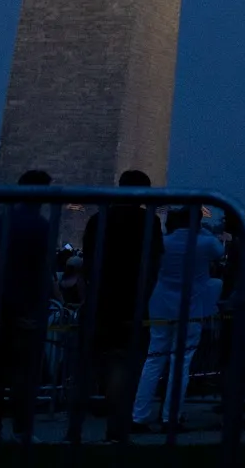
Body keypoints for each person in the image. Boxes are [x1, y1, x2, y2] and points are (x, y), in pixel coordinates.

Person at [81, 169, 163, 443]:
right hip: (131, 300)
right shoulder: (149, 222)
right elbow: (153, 265)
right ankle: (116, 427)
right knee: (123, 363)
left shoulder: (98, 219)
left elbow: (88, 261)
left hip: (101, 298)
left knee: (97, 359)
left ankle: (82, 423)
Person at [131, 208, 224, 430]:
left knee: (153, 360)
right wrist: (203, 230)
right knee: (180, 364)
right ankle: (170, 417)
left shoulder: (165, 242)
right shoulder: (205, 243)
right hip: (190, 307)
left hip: (161, 304)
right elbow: (220, 251)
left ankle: (139, 415)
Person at [0, 170, 54, 443]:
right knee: (24, 373)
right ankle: (21, 430)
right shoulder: (40, 226)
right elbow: (40, 271)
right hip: (25, 308)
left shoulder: (0, 222)